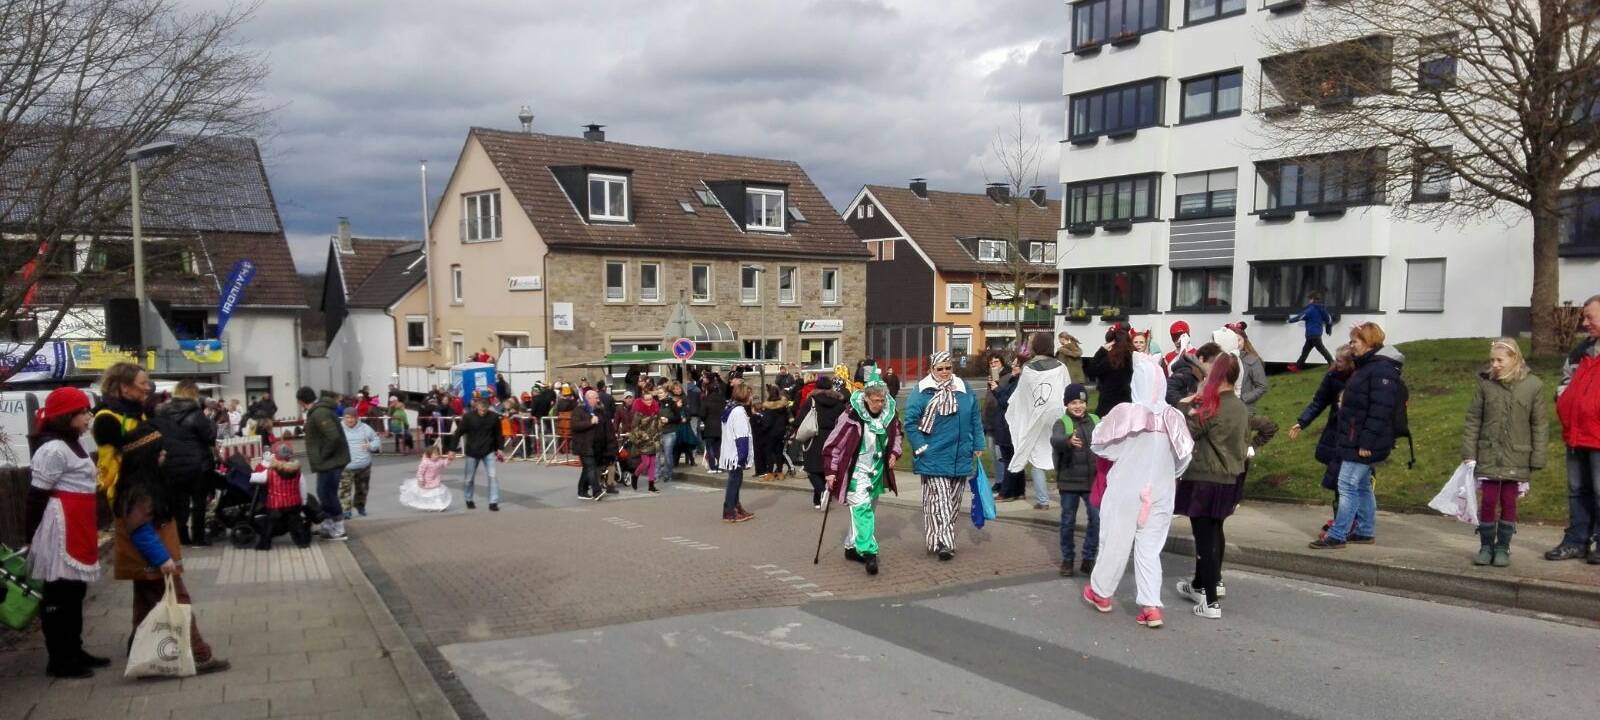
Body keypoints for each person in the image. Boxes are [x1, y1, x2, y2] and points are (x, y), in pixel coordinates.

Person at [1082, 354, 1194, 630]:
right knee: (1149, 549)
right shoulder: (1174, 416)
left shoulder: (1128, 412)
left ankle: (1102, 592)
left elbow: (1100, 443)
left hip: (1126, 489)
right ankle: (1151, 606)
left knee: (1115, 542)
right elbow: (1184, 458)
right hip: (1161, 492)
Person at [23, 387, 106, 678]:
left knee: (75, 592)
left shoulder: (74, 443)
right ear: (66, 416)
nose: (88, 416)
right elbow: (36, 495)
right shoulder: (53, 449)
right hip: (60, 528)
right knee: (60, 594)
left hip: (77, 523)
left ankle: (75, 649)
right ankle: (59, 659)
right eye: (83, 411)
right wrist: (31, 536)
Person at [1309, 323, 1403, 550]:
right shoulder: (1368, 367)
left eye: (1355, 341)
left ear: (1369, 342)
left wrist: (1366, 442)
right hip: (1355, 437)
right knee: (1360, 486)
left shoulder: (1380, 370)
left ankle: (1338, 534)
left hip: (1362, 441)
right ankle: (1364, 530)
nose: (1351, 346)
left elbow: (1380, 410)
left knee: (1347, 485)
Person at [1174, 354, 1249, 620]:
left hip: (1205, 477)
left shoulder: (1212, 404)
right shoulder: (1239, 406)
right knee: (1216, 531)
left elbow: (1187, 430)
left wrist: (1185, 406)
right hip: (1230, 477)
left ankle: (1211, 601)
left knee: (1204, 539)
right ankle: (1205, 583)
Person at [1461, 339, 1548, 567]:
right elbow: (1473, 420)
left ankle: (1503, 547)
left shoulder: (1533, 386)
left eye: (1500, 360)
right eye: (1492, 360)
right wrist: (1469, 452)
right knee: (1488, 500)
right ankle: (1486, 545)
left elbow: (1539, 424)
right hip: (1488, 454)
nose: (1495, 364)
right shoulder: (1486, 385)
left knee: (1509, 501)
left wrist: (1537, 456)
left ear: (1514, 359)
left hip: (1517, 455)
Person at [903, 352, 983, 561]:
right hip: (933, 454)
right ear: (932, 369)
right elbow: (910, 422)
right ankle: (947, 543)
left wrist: (978, 443)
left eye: (948, 368)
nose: (945, 372)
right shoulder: (921, 392)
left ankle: (936, 537)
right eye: (940, 369)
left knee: (953, 502)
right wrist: (921, 447)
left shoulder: (963, 389)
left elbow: (975, 417)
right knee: (942, 501)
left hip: (960, 454)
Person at [823, 369, 903, 575]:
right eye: (875, 400)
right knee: (862, 510)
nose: (880, 404)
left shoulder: (889, 414)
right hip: (855, 472)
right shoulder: (851, 417)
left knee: (867, 510)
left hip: (876, 472)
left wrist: (894, 452)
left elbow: (896, 435)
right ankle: (869, 552)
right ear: (866, 398)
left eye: (882, 400)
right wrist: (831, 471)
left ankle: (851, 547)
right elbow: (833, 445)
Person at [1289, 344, 1357, 539]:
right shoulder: (1332, 376)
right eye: (1336, 360)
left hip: (1353, 434)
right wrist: (1302, 422)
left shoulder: (1359, 378)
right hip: (1337, 431)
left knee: (1348, 482)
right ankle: (1341, 519)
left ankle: (1348, 521)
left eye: (1340, 361)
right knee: (1338, 480)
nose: (1336, 364)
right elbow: (1319, 401)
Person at [1551, 296, 1600, 562]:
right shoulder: (1580, 352)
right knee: (1577, 490)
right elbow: (1564, 381)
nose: (1584, 323)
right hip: (1577, 432)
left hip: (1598, 434)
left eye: (1590, 317)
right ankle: (1576, 541)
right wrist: (1564, 400)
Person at [1006, 332, 1070, 510]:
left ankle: (1043, 500)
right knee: (1058, 453)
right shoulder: (1061, 366)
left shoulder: (1028, 367)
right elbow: (1067, 390)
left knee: (1035, 454)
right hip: (1055, 414)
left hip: (1035, 415)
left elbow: (1023, 395)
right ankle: (1066, 494)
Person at [154, 380, 217, 547]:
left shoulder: (162, 412)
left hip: (171, 463)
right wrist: (210, 420)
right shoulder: (196, 413)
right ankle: (199, 537)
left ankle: (182, 537)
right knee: (199, 503)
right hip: (197, 464)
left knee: (178, 503)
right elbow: (210, 437)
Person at [1051, 383, 1100, 577]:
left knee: (1097, 520)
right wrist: (1068, 441)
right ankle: (1068, 559)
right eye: (1073, 402)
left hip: (1093, 481)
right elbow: (1055, 439)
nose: (1078, 406)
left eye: (1081, 402)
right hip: (1069, 480)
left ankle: (1089, 558)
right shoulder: (1062, 423)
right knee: (1068, 521)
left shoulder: (1096, 420)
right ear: (1067, 404)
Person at [299, 387, 350, 540]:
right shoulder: (319, 411)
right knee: (323, 492)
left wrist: (322, 455)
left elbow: (333, 437)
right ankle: (328, 525)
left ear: (301, 401)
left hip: (330, 461)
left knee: (327, 494)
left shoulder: (319, 413)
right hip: (329, 461)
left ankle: (339, 528)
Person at [795, 375, 848, 509]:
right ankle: (818, 500)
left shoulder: (812, 401)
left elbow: (800, 419)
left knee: (811, 469)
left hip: (815, 437)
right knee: (826, 468)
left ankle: (823, 492)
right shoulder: (839, 402)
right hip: (833, 437)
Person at [255, 442, 311, 550]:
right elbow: (302, 486)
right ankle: (303, 543)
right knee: (297, 524)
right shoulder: (297, 471)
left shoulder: (269, 472)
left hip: (276, 504)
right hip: (294, 503)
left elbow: (256, 478)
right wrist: (303, 501)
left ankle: (264, 545)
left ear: (276, 456)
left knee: (269, 525)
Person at [454, 398, 506, 510]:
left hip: (489, 451)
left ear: (488, 408)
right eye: (481, 410)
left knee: (492, 476)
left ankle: (493, 502)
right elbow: (458, 433)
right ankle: (468, 499)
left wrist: (500, 448)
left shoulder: (493, 417)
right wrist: (451, 449)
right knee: (469, 479)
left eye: (485, 410)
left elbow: (498, 434)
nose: (483, 412)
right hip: (472, 451)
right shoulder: (468, 417)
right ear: (477, 407)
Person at [719, 384, 756, 522]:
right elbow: (742, 436)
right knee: (734, 482)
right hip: (735, 453)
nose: (752, 397)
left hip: (730, 451)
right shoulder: (739, 411)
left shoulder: (730, 408)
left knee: (735, 480)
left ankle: (735, 506)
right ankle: (729, 510)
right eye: (750, 394)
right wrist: (743, 456)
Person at [1084, 327, 1135, 417]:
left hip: (1108, 402)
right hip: (1127, 400)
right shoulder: (1133, 357)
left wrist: (1102, 351)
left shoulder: (1110, 359)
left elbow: (1091, 371)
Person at [339, 412, 382, 518]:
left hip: (364, 465)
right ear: (344, 418)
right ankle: (346, 510)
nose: (350, 420)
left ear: (357, 418)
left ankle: (360, 506)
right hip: (346, 466)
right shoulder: (338, 428)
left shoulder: (365, 428)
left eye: (352, 417)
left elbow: (376, 440)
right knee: (344, 489)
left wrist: (370, 445)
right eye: (347, 417)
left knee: (362, 489)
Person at [982, 354, 1014, 491]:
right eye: (991, 362)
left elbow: (1004, 399)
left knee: (1000, 454)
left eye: (996, 361)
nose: (993, 364)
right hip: (989, 420)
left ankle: (1004, 482)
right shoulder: (991, 379)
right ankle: (999, 480)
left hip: (1001, 420)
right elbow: (988, 399)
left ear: (1002, 363)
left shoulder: (1007, 377)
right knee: (993, 454)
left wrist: (996, 386)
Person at [571, 389, 606, 500]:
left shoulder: (595, 410)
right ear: (589, 399)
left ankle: (582, 491)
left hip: (593, 444)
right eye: (595, 398)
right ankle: (597, 491)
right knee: (591, 467)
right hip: (582, 444)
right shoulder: (578, 410)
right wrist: (590, 422)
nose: (598, 400)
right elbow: (575, 426)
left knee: (587, 468)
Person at [1165, 342, 1223, 407]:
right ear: (1201, 359)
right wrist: (1185, 406)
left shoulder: (1198, 373)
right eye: (1213, 363)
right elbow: (1168, 389)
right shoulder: (1187, 371)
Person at [626, 393, 663, 493]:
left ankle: (651, 485)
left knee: (652, 464)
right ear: (642, 400)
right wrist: (644, 436)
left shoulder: (656, 410)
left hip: (654, 440)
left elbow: (658, 425)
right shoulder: (639, 412)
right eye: (647, 399)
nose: (649, 401)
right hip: (643, 441)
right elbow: (634, 428)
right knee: (646, 463)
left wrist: (661, 423)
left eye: (650, 399)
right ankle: (635, 476)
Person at [1288, 292, 1335, 370]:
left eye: (1310, 299)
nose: (1309, 300)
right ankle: (1297, 366)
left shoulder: (1310, 309)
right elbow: (1328, 318)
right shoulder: (1322, 309)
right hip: (1315, 334)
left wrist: (1290, 320)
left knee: (1321, 349)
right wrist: (1328, 326)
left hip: (1312, 334)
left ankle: (1332, 363)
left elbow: (1300, 316)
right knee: (1305, 351)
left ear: (1312, 299)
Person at [754, 386, 792, 482]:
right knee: (779, 452)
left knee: (769, 453)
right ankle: (780, 473)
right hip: (781, 432)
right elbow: (788, 419)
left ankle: (770, 473)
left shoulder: (768, 406)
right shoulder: (783, 405)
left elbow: (767, 422)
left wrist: (761, 428)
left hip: (770, 433)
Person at [400, 447, 453, 512]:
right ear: (429, 454)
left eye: (438, 453)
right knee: (428, 495)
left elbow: (445, 463)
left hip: (436, 480)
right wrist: (420, 479)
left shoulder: (439, 461)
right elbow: (420, 472)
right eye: (435, 454)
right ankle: (430, 506)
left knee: (437, 493)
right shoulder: (425, 462)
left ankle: (441, 506)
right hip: (426, 481)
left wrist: (449, 459)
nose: (437, 455)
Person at [657, 383, 683, 483]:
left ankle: (668, 474)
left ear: (666, 393)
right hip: (658, 432)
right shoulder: (656, 404)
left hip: (670, 432)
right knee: (657, 455)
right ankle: (657, 474)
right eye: (658, 393)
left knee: (668, 454)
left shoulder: (671, 403)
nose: (659, 395)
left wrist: (668, 419)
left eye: (661, 393)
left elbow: (678, 417)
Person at [700, 375, 727, 471]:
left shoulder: (706, 400)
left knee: (710, 447)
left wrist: (705, 420)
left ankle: (713, 467)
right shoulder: (723, 400)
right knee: (719, 448)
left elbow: (702, 414)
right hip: (720, 427)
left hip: (709, 427)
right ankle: (720, 466)